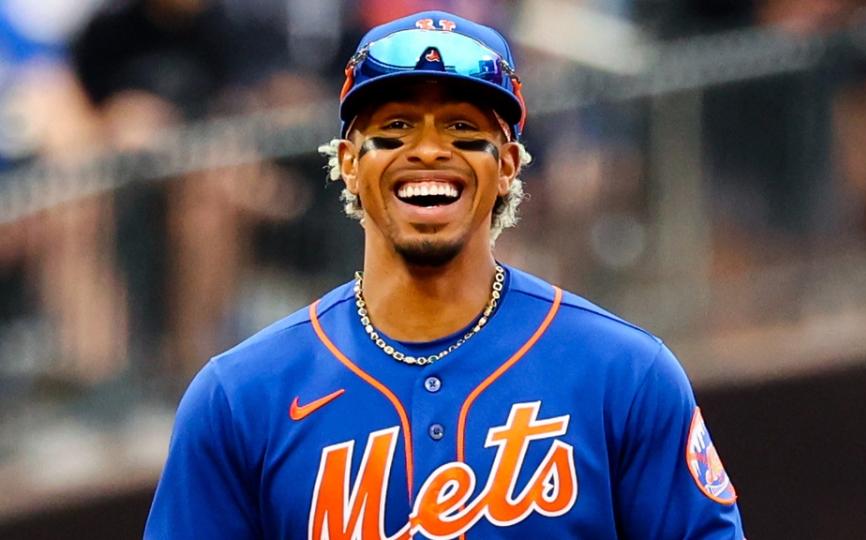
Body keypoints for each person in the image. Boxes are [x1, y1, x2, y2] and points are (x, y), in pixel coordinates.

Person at [145, 10, 745, 539]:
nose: (429, 150)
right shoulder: (240, 400)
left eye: (462, 127)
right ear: (350, 163)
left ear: (508, 164)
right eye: (398, 125)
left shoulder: (625, 375)